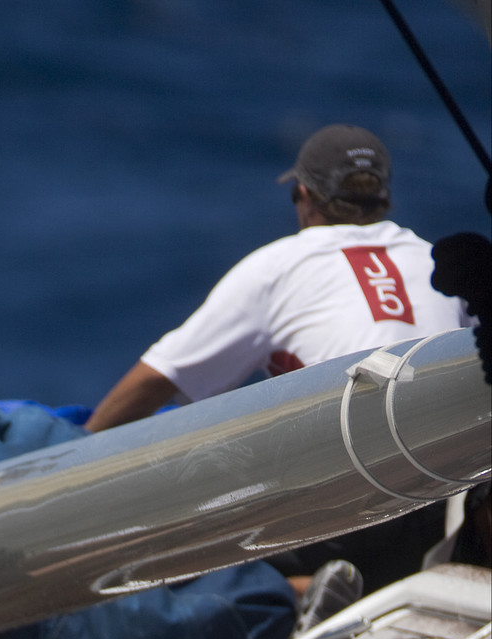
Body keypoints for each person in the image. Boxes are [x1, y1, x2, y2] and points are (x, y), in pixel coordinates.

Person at [87, 126, 469, 431]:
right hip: (450, 458)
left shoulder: (277, 266)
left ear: (303, 195)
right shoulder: (438, 259)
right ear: (383, 198)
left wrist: (80, 452)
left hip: (361, 480)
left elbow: (160, 378)